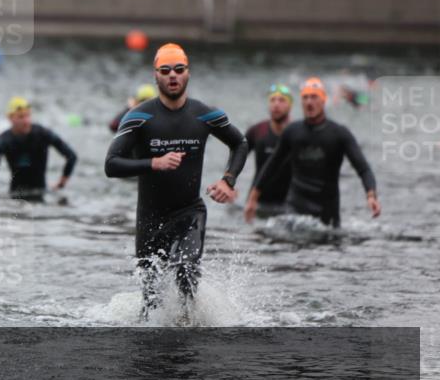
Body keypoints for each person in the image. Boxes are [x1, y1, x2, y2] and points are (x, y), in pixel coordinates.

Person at [105, 43, 248, 320]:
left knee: (185, 268)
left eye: (179, 70)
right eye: (166, 70)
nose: (173, 75)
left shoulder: (204, 114)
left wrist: (228, 180)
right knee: (151, 301)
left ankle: (189, 326)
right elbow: (111, 165)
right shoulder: (139, 117)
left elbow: (239, 143)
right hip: (150, 217)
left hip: (189, 213)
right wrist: (153, 163)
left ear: (187, 74)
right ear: (156, 75)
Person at [245, 77, 380, 227]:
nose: (309, 102)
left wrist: (371, 195)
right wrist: (252, 198)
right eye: (305, 97)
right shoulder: (292, 132)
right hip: (294, 209)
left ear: (323, 100)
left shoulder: (339, 134)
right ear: (301, 102)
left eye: (314, 97)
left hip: (326, 213)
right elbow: (272, 165)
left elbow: (363, 168)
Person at [0, 97, 78, 201]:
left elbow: (71, 156)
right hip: (15, 196)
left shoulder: (43, 134)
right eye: (21, 117)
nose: (26, 120)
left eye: (28, 115)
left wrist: (63, 181)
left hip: (41, 193)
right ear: (10, 118)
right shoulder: (2, 141)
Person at [243, 84, 293, 218]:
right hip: (257, 203)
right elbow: (238, 155)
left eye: (282, 100)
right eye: (272, 100)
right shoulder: (257, 131)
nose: (276, 104)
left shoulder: (297, 134)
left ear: (290, 105)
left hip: (287, 206)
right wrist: (229, 182)